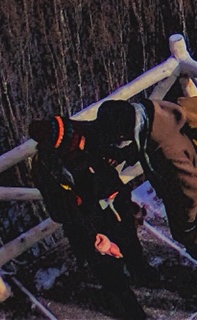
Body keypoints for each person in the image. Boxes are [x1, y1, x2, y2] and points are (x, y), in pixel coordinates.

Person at [92, 98, 197, 313]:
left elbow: (190, 189)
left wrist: (187, 221)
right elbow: (144, 143)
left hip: (195, 208)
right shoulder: (152, 115)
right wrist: (125, 154)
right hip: (184, 198)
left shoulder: (167, 151)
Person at [28, 113, 150, 320]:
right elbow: (61, 213)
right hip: (91, 227)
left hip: (117, 211)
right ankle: (130, 312)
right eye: (76, 139)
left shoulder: (81, 136)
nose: (82, 139)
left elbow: (106, 162)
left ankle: (142, 273)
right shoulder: (49, 171)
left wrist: (118, 192)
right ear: (63, 147)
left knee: (131, 245)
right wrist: (95, 230)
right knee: (110, 273)